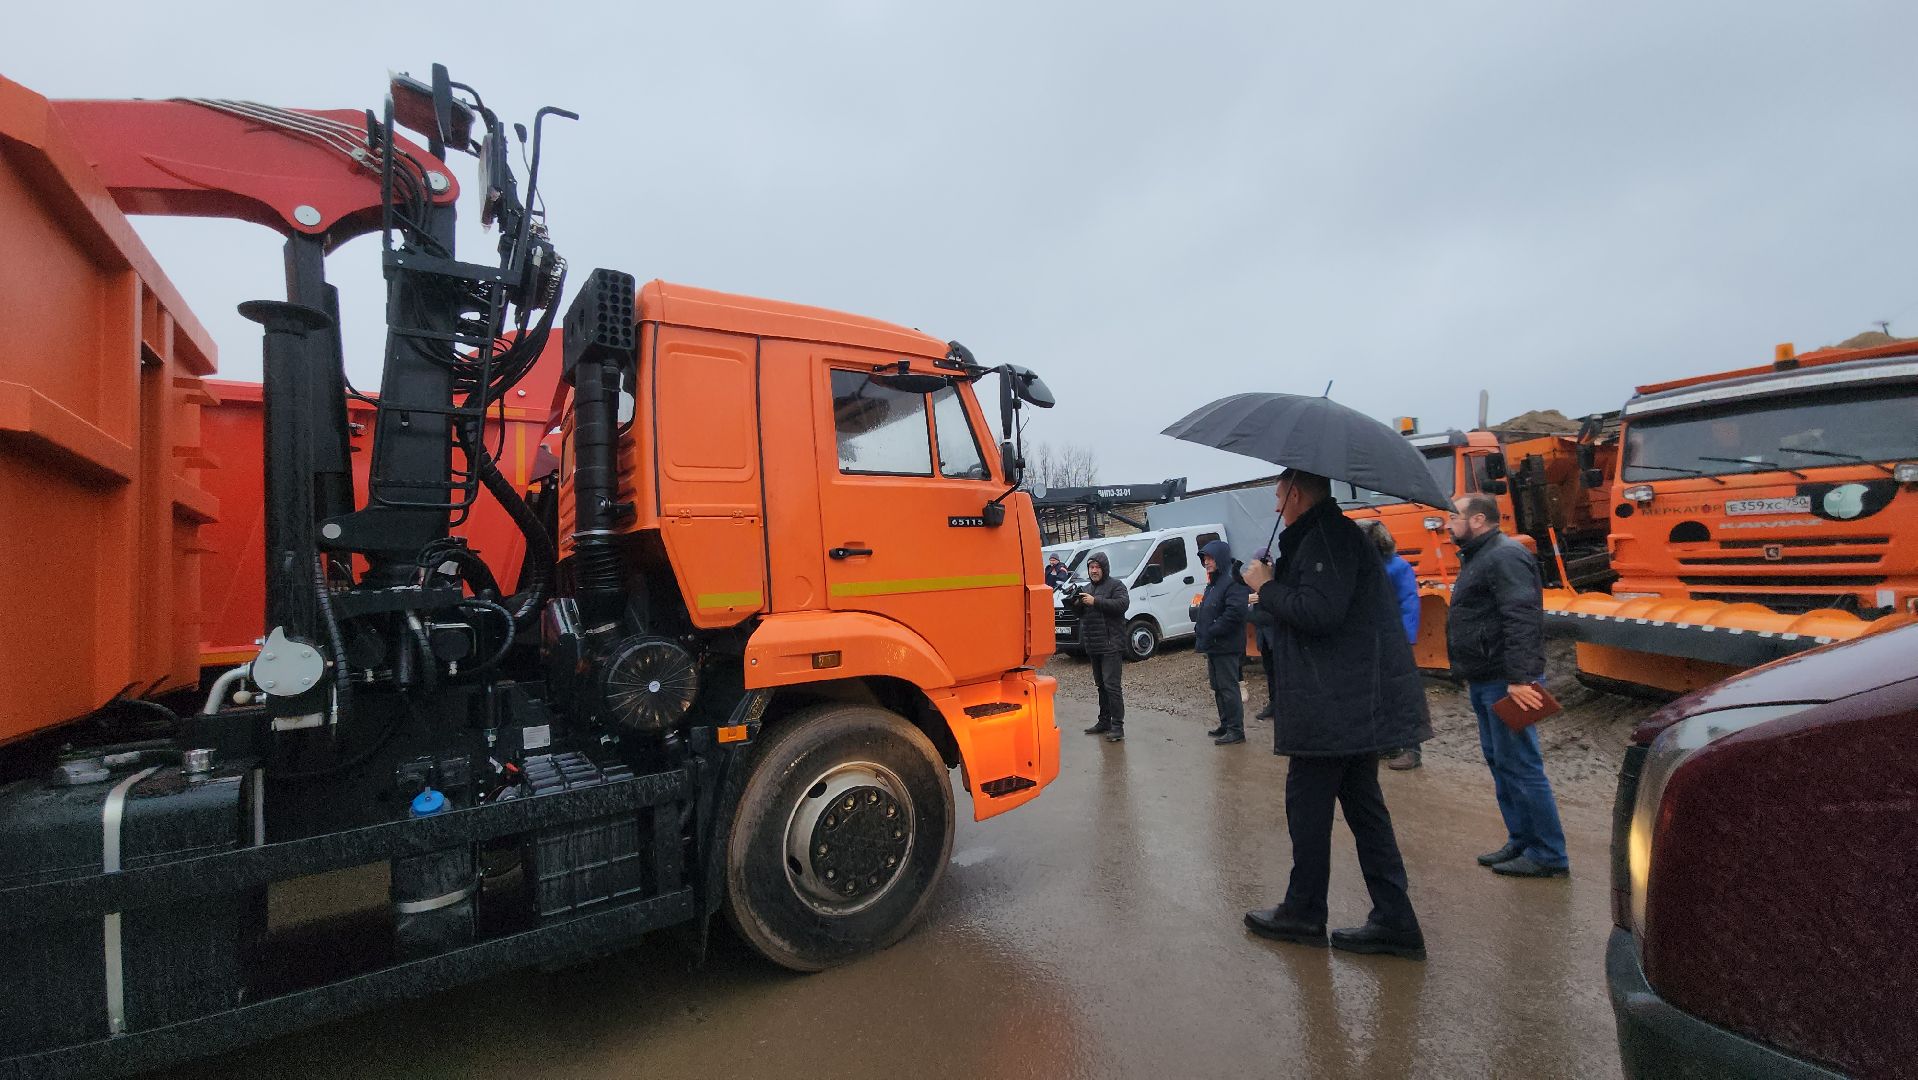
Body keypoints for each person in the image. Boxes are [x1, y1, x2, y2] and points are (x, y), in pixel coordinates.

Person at [1239, 469, 1431, 961]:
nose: (1276, 504)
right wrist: (1277, 587)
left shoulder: (1326, 538)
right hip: (1347, 705)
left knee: (1307, 808)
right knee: (1366, 812)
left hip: (1333, 707)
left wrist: (1267, 584)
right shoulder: (1327, 537)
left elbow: (1320, 613)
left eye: (1279, 495)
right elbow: (1318, 605)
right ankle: (1394, 918)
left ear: (1296, 495)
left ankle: (1304, 912)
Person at [1445, 492, 1569, 879]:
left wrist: (1520, 679)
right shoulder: (1481, 556)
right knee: (1501, 763)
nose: (1448, 524)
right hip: (1486, 678)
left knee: (1521, 766)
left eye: (1454, 518)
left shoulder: (1504, 555)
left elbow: (1522, 619)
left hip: (1506, 681)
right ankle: (1521, 839)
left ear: (1478, 520)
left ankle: (1548, 854)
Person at [1357, 520, 1424, 771]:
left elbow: (1409, 603)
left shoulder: (1397, 567)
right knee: (1376, 693)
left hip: (1393, 640)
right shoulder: (1364, 567)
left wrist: (1405, 640)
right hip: (1370, 640)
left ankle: (1411, 748)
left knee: (1401, 694)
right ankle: (1387, 743)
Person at [1193, 540, 1250, 746]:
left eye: (1210, 558)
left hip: (1226, 645)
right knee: (1217, 687)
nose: (1207, 562)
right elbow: (1208, 610)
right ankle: (1226, 724)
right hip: (1214, 645)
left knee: (1228, 687)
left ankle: (1236, 730)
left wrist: (1212, 630)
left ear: (1220, 558)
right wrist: (1201, 629)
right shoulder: (1214, 583)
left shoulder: (1233, 581)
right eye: (1205, 559)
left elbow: (1235, 613)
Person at [1077, 551, 1130, 743]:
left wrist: (1095, 601)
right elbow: (1082, 614)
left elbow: (1122, 605)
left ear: (1104, 568)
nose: (1094, 571)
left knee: (1112, 686)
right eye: (1091, 567)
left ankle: (1118, 726)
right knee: (1101, 686)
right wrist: (1075, 603)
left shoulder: (1116, 586)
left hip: (1111, 645)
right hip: (1094, 646)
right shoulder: (1086, 588)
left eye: (1097, 567)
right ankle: (1104, 721)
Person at [1246, 546, 1279, 722]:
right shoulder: (1256, 584)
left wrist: (1248, 614)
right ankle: (1273, 705)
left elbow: (1271, 615)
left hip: (1276, 637)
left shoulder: (1276, 582)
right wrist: (1248, 601)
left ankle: (1282, 706)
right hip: (1264, 639)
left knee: (1280, 673)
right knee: (1270, 673)